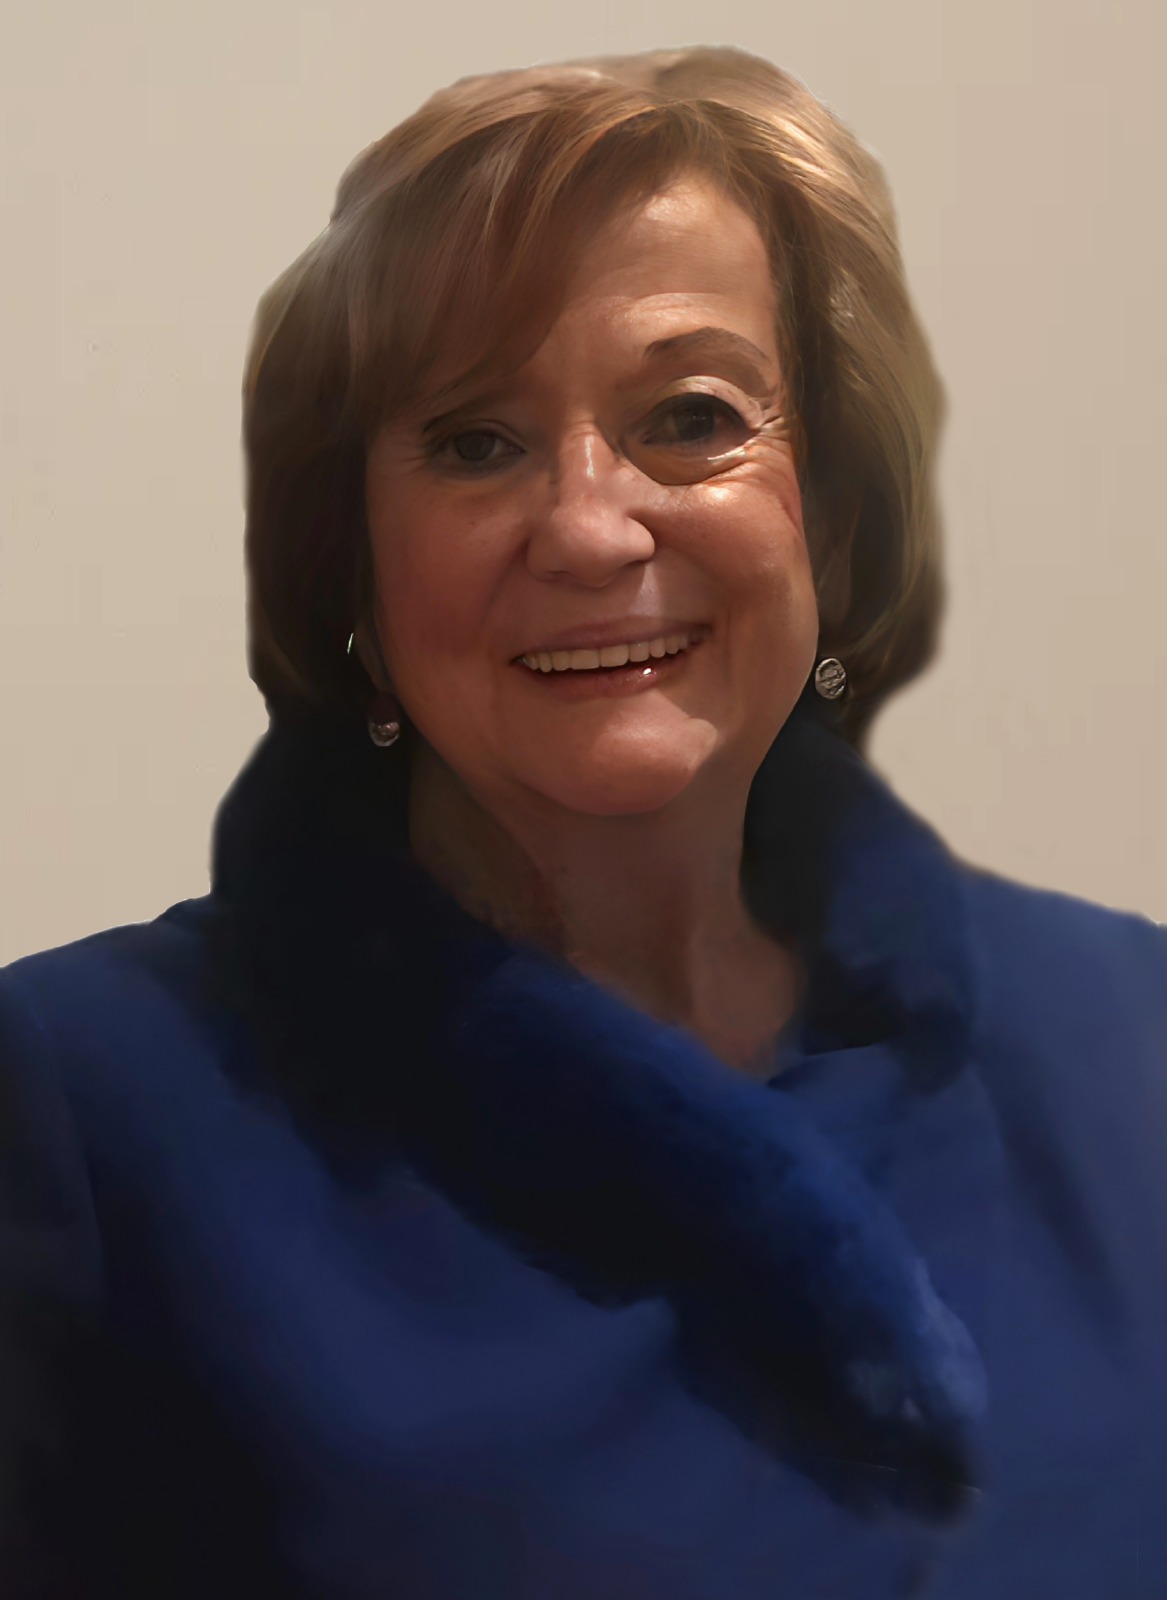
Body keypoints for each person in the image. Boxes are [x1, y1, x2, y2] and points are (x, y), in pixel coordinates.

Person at [2, 45, 1165, 1600]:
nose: (590, 526)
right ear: (350, 559)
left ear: (831, 512)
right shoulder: (86, 1109)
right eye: (476, 441)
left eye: (690, 414)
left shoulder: (1131, 1044)